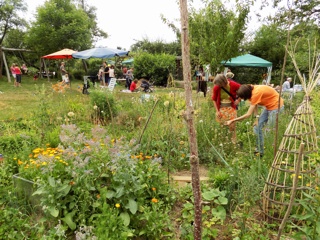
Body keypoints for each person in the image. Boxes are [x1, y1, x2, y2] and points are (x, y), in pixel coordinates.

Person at [225, 84, 284, 157]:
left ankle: (270, 153)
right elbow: (255, 104)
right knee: (256, 127)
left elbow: (248, 114)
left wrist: (233, 120)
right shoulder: (249, 88)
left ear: (246, 94)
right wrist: (257, 118)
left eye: (243, 97)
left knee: (269, 131)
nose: (242, 99)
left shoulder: (256, 93)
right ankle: (259, 151)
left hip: (276, 107)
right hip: (268, 107)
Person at [212, 74, 241, 143]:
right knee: (222, 126)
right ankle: (223, 142)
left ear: (223, 82)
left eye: (219, 84)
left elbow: (242, 90)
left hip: (231, 108)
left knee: (232, 126)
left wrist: (238, 100)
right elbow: (214, 99)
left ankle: (233, 142)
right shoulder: (216, 87)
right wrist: (217, 111)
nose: (217, 86)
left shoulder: (233, 85)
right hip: (221, 109)